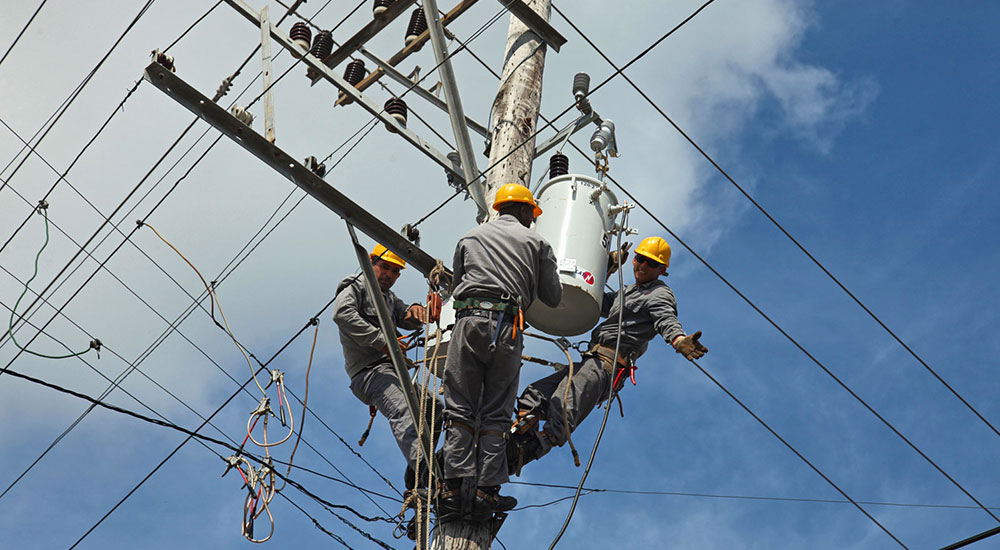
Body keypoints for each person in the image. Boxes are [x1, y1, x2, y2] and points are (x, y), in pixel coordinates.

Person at [508, 236, 708, 475]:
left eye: (651, 264)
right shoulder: (627, 292)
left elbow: (666, 320)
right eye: (640, 259)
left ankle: (522, 454)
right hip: (591, 360)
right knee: (534, 395)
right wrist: (605, 268)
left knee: (562, 409)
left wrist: (679, 340)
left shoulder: (659, 294)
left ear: (663, 270)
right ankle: (515, 440)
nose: (642, 266)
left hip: (606, 365)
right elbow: (593, 300)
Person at [439, 183, 562, 517]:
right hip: (508, 327)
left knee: (460, 405)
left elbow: (455, 287)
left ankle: (452, 487)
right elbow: (553, 297)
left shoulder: (469, 238)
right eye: (531, 214)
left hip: (467, 322)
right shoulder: (537, 243)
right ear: (524, 211)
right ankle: (485, 491)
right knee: (496, 412)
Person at [332, 244, 440, 493]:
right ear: (371, 262)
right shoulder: (356, 286)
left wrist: (418, 312)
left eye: (395, 271)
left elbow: (406, 317)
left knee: (435, 408)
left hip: (391, 371)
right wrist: (383, 343)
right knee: (404, 409)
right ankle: (426, 473)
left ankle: (418, 470)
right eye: (385, 267)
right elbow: (342, 314)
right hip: (369, 373)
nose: (389, 275)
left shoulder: (389, 298)